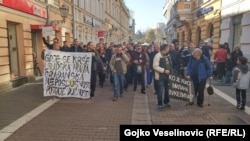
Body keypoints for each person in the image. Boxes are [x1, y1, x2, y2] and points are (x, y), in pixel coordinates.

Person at [153, 44, 172, 110]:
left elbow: (170, 64)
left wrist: (171, 71)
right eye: (167, 49)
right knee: (160, 91)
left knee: (167, 90)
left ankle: (167, 101)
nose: (168, 49)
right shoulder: (157, 56)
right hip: (160, 77)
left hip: (167, 76)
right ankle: (160, 104)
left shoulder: (168, 55)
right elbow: (155, 66)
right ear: (164, 50)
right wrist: (164, 70)